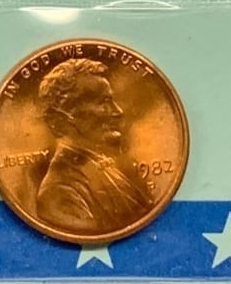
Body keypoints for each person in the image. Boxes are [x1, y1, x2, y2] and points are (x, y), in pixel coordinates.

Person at [33, 58, 153, 234]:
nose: (118, 111)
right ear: (60, 119)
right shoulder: (59, 193)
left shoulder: (104, 167)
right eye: (103, 102)